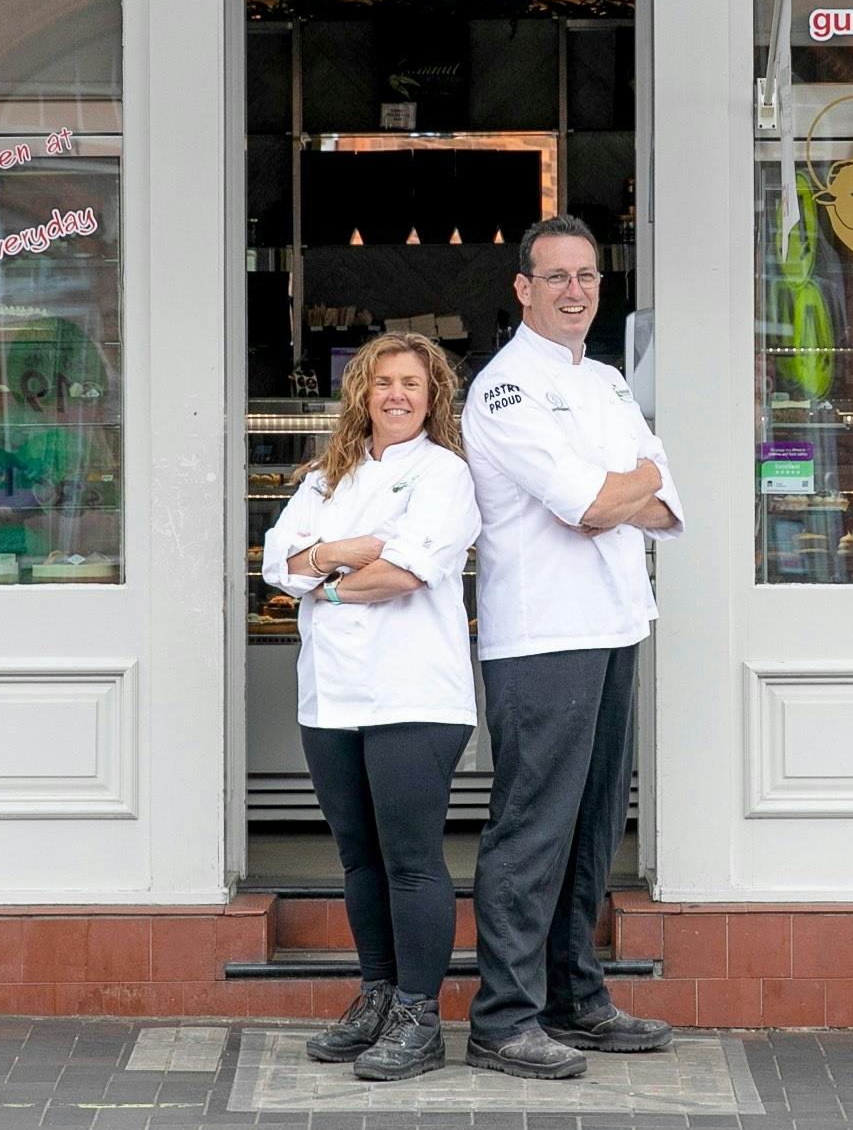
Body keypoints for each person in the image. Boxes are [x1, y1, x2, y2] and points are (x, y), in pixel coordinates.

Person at [460, 215, 683, 1080]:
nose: (573, 290)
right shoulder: (506, 389)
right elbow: (587, 504)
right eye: (554, 276)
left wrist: (619, 490)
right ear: (522, 289)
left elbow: (666, 503)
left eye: (585, 275)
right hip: (543, 636)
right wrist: (622, 487)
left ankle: (574, 998)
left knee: (592, 826)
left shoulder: (607, 381)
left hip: (618, 622)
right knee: (533, 828)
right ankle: (502, 1018)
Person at [259, 333, 482, 1083]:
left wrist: (320, 568)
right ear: (362, 392)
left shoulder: (445, 474)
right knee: (358, 857)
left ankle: (421, 1018)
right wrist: (349, 549)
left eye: (410, 384)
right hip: (331, 695)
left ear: (432, 396)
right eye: (382, 381)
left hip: (414, 693)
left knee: (411, 860)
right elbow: (274, 561)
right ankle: (378, 995)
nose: (395, 395)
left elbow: (408, 571)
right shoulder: (328, 474)